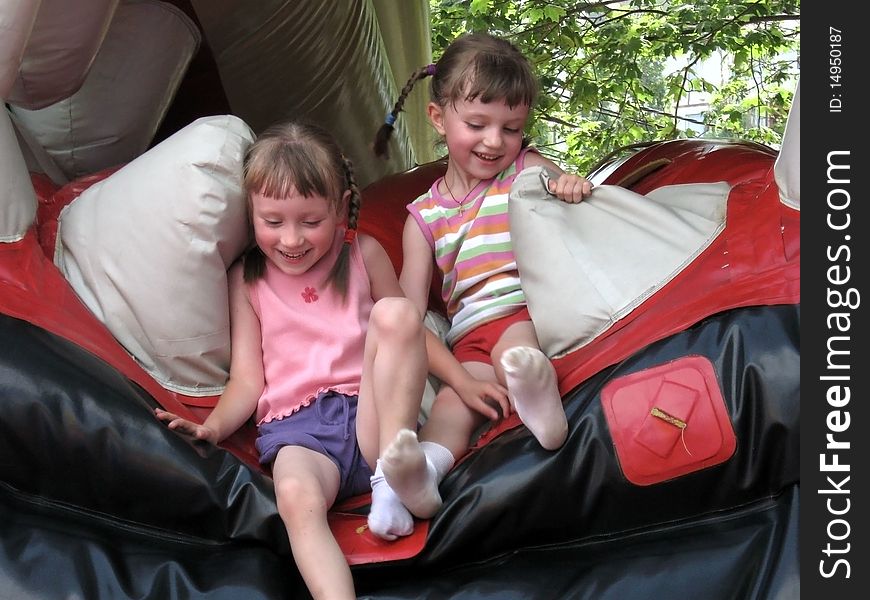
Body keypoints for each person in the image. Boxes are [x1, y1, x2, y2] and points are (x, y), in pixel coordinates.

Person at [155, 120, 444, 600]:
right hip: (301, 432)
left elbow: (408, 334)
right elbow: (248, 379)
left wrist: (459, 380)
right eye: (273, 222)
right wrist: (213, 427)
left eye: (310, 221)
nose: (291, 239)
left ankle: (395, 472)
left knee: (395, 312)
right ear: (251, 215)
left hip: (373, 415)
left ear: (340, 209)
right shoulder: (248, 279)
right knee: (295, 497)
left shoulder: (362, 253)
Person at [371, 32, 594, 506]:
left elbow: (565, 197)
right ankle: (419, 474)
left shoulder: (527, 169)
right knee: (451, 410)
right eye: (477, 124)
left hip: (524, 309)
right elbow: (410, 322)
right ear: (437, 117)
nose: (495, 142)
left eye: (511, 128)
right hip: (468, 334)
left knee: (517, 349)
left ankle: (543, 408)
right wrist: (460, 381)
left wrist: (571, 186)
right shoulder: (423, 218)